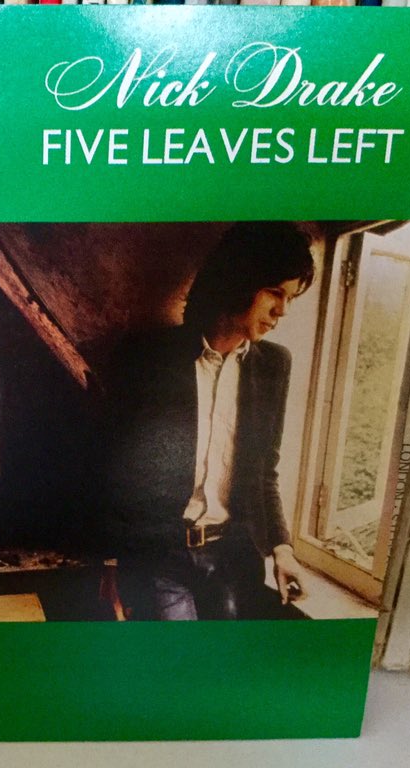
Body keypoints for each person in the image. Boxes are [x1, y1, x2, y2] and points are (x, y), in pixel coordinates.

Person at [100, 222, 315, 621]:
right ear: (239, 280)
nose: (282, 310)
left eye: (290, 298)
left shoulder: (274, 366)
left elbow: (264, 472)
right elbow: (116, 469)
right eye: (274, 292)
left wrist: (282, 550)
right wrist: (111, 563)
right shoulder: (148, 357)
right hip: (161, 558)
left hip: (234, 559)